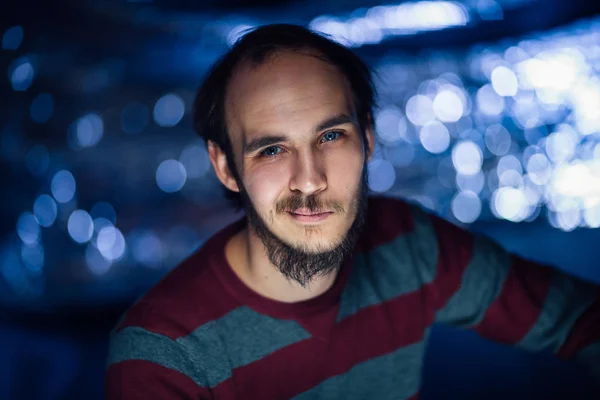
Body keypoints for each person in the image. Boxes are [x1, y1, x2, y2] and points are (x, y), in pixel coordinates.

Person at [105, 24, 600, 399]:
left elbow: (583, 319)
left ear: (366, 137)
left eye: (330, 136)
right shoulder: (164, 356)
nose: (310, 179)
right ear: (226, 166)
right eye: (272, 150)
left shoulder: (408, 243)